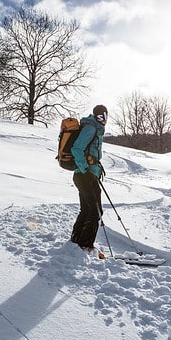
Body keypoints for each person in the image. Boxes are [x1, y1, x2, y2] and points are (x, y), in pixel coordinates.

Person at [70, 104, 107, 251]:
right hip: (85, 175)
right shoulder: (91, 128)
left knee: (86, 210)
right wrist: (85, 169)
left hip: (86, 175)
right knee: (95, 211)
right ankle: (85, 245)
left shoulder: (94, 128)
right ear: (102, 116)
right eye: (103, 116)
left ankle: (76, 240)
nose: (105, 119)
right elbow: (76, 148)